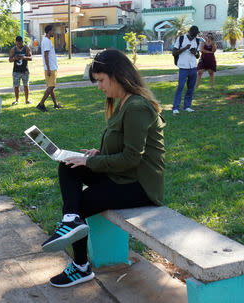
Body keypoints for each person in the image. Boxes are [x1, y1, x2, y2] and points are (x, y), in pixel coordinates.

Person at [41, 49, 165, 288]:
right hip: (122, 175)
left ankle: (80, 266)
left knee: (82, 203)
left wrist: (90, 162)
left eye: (101, 80)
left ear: (117, 76)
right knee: (68, 167)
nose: (99, 87)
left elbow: (131, 158)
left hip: (140, 185)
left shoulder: (137, 107)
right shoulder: (123, 103)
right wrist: (97, 155)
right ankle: (70, 221)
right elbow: (122, 149)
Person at [171, 25, 201, 115]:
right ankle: (175, 107)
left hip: (193, 67)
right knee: (180, 87)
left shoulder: (197, 40)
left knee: (191, 88)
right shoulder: (181, 39)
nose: (195, 36)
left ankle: (187, 106)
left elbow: (198, 56)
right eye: (194, 34)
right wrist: (185, 48)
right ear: (189, 32)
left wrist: (194, 52)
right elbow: (174, 53)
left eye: (196, 34)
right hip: (183, 67)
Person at [37, 25, 62, 112]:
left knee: (51, 87)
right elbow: (46, 55)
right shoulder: (47, 41)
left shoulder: (46, 40)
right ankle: (41, 104)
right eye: (52, 31)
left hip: (50, 67)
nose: (53, 32)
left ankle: (56, 104)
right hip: (50, 68)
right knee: (51, 86)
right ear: (49, 31)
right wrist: (48, 68)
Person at [9, 36, 32, 105]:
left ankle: (27, 100)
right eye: (18, 43)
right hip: (16, 71)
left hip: (25, 70)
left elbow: (31, 58)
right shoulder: (13, 49)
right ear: (16, 42)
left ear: (22, 41)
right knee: (16, 86)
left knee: (26, 86)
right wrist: (15, 58)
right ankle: (17, 100)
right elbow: (10, 60)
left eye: (20, 42)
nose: (19, 44)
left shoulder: (26, 48)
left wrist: (24, 57)